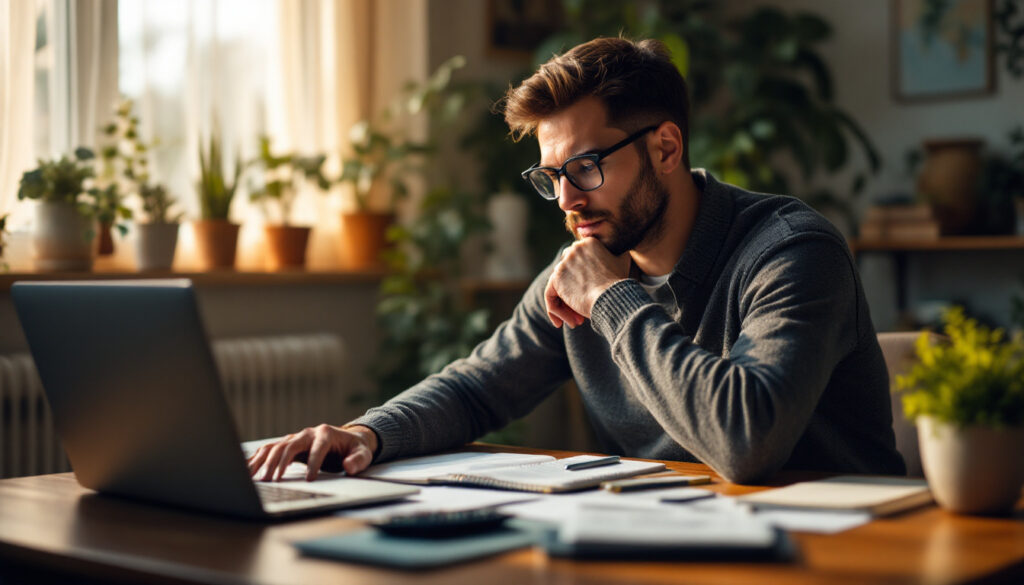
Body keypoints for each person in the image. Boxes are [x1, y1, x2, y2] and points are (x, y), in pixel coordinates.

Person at [248, 37, 906, 484]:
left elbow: (748, 439)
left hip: (845, 555)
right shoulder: (591, 262)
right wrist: (368, 432)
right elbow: (478, 386)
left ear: (667, 148)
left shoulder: (791, 251)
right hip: (680, 546)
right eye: (551, 175)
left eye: (586, 167)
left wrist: (617, 302)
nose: (566, 199)